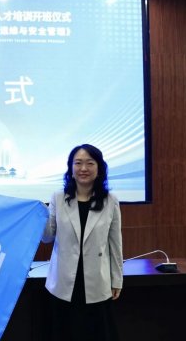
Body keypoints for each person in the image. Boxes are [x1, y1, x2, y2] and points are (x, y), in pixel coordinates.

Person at [41, 144, 122, 341]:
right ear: (71, 168)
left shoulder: (110, 200)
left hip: (96, 280)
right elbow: (47, 237)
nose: (83, 168)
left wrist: (117, 279)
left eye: (90, 163)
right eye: (78, 163)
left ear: (99, 168)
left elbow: (115, 243)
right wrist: (40, 216)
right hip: (64, 281)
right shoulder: (58, 198)